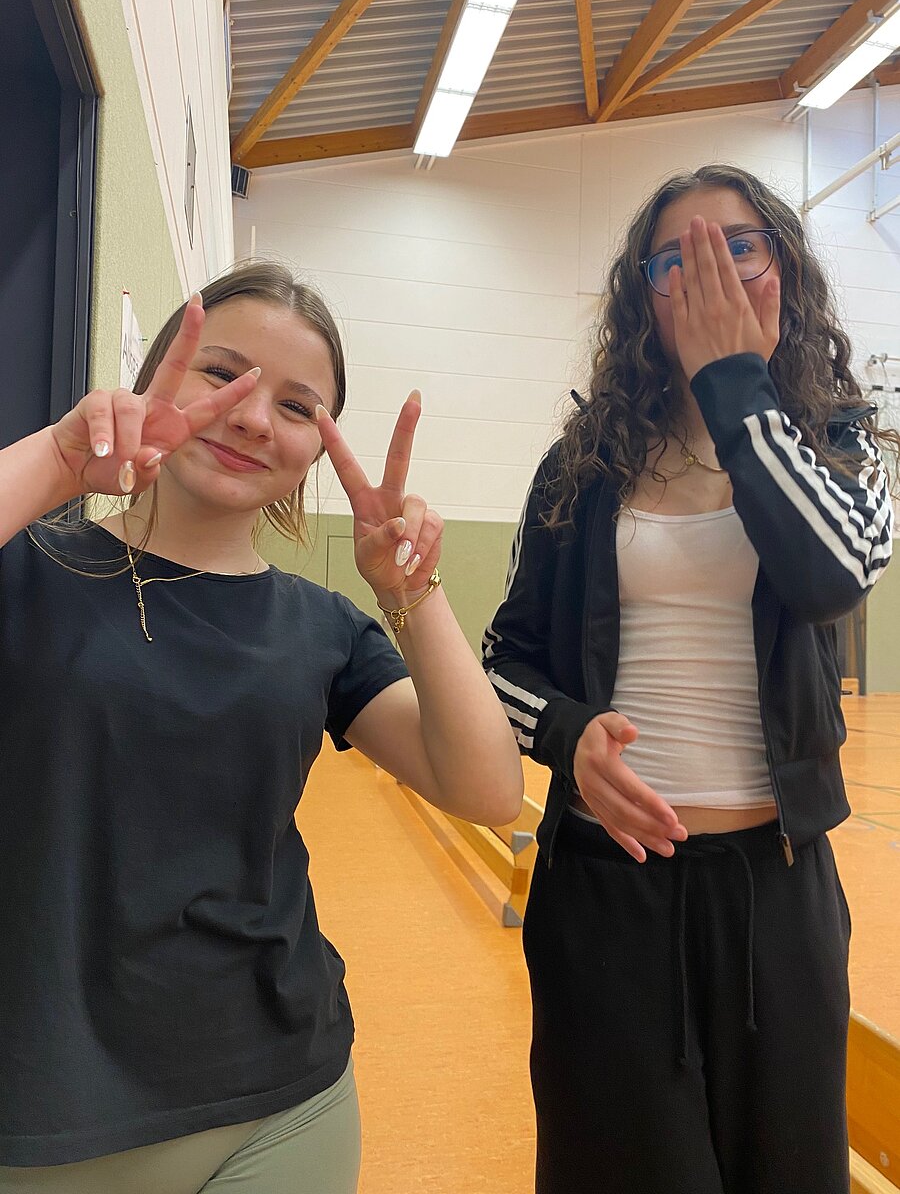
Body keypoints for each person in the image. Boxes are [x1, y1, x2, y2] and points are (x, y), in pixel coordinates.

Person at [0, 261, 523, 1193]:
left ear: (318, 448)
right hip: (46, 1109)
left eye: (297, 407)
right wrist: (62, 463)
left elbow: (488, 788)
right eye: (223, 373)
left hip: (283, 1098)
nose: (252, 418)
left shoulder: (324, 629)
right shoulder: (32, 566)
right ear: (155, 374)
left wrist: (411, 590)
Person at [483, 165, 896, 1194]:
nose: (711, 271)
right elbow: (503, 662)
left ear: (785, 270)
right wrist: (570, 734)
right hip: (606, 890)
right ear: (644, 297)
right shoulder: (582, 465)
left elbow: (833, 578)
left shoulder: (844, 443)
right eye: (677, 257)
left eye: (739, 245)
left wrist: (737, 389)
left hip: (779, 894)